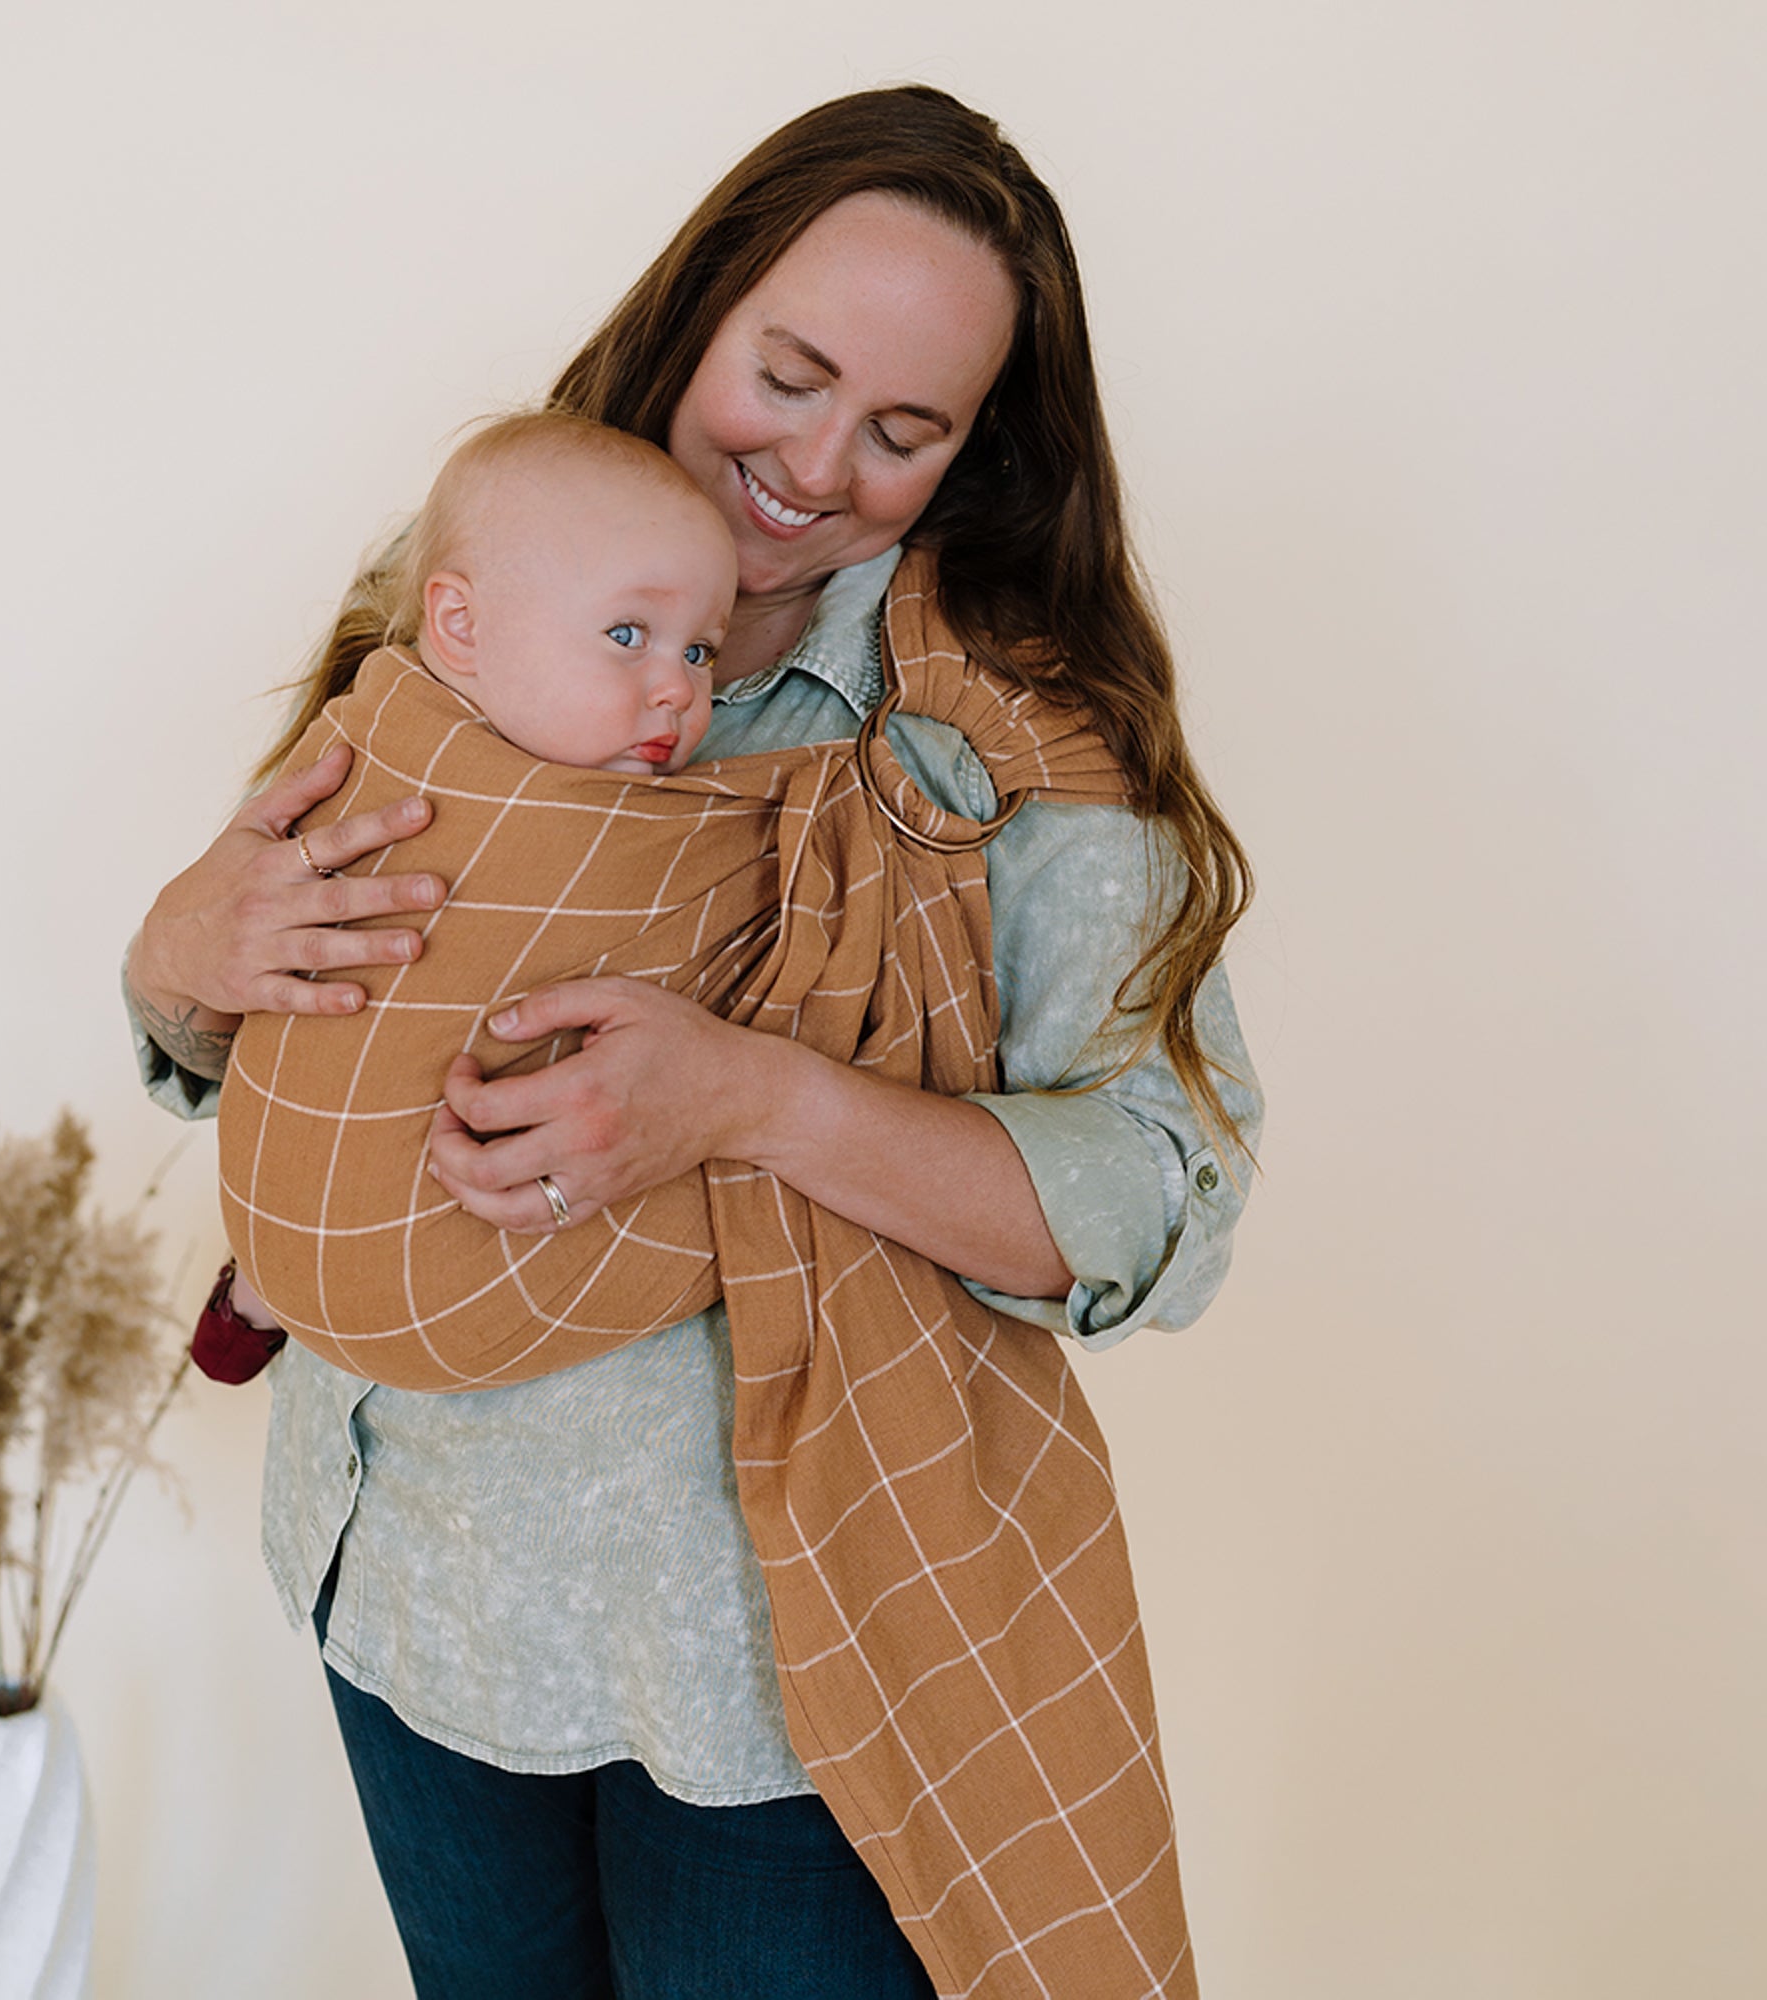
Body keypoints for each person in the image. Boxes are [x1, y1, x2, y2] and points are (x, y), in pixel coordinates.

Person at [128, 84, 1261, 2000]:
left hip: (774, 1687)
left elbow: (1168, 1203)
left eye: (904, 430)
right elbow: (287, 1013)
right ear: (700, 311)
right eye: (789, 374)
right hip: (406, 1590)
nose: (815, 466)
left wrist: (753, 1098)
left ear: (984, 449)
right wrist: (175, 955)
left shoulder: (1014, 750)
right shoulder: (492, 571)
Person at [207, 409, 736, 1348]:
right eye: (628, 634)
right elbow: (231, 964)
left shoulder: (662, 823)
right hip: (298, 1189)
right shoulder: (373, 749)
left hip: (463, 1266)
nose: (678, 689)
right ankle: (263, 1286)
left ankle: (267, 1293)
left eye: (700, 651)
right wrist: (175, 955)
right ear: (460, 626)